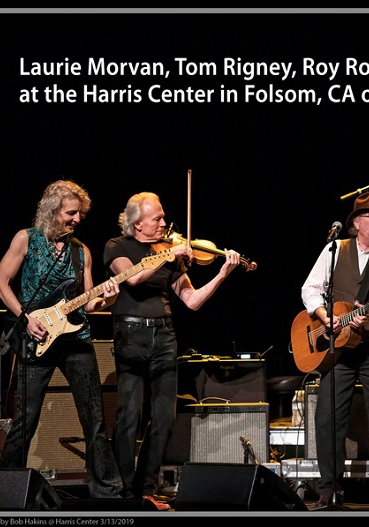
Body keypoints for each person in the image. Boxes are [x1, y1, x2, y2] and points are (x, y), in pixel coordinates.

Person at [103, 192, 240, 508]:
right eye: (157, 218)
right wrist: (167, 255)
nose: (164, 223)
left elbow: (191, 300)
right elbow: (133, 277)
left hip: (164, 335)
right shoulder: (117, 246)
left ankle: (146, 486)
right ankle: (123, 490)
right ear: (138, 223)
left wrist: (222, 274)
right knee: (130, 414)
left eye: (163, 218)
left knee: (165, 416)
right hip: (130, 333)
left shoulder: (170, 254)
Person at [0, 179, 123, 498]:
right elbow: (1, 283)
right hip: (35, 339)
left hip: (76, 340)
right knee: (26, 419)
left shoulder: (82, 253)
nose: (77, 219)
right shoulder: (26, 239)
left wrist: (107, 298)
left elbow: (89, 301)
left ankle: (106, 489)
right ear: (52, 211)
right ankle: (4, 488)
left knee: (93, 417)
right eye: (71, 213)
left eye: (80, 213)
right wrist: (26, 318)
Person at [300, 191, 369, 510]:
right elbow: (311, 289)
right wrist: (326, 316)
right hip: (338, 350)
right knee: (328, 418)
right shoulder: (334, 249)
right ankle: (328, 488)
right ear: (356, 223)